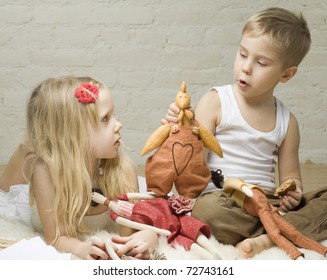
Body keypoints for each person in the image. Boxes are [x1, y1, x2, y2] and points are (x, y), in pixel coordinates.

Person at [163, 7, 327, 258]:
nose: (246, 67)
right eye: (242, 54)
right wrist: (182, 129)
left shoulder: (287, 122)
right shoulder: (217, 101)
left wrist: (292, 192)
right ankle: (281, 231)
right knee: (207, 212)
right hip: (226, 202)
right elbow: (191, 164)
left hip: (268, 203)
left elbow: (291, 180)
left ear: (286, 74)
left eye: (261, 62)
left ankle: (267, 239)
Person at [0, 76, 158, 260]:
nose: (118, 124)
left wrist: (147, 237)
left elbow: (139, 228)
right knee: (13, 176)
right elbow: (57, 238)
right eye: (105, 118)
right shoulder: (45, 173)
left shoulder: (123, 169)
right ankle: (29, 145)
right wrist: (82, 249)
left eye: (113, 115)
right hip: (54, 164)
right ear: (74, 134)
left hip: (80, 161)